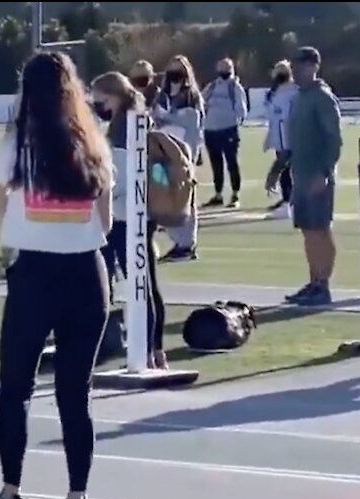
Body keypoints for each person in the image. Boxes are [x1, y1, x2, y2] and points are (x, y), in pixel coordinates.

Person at [0, 51, 114, 499]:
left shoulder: (16, 144)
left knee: (15, 388)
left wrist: (19, 233)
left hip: (34, 274)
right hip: (86, 274)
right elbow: (107, 219)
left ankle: (11, 494)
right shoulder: (92, 141)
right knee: (75, 394)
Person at [91, 71, 167, 370]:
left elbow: (119, 179)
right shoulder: (137, 118)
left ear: (117, 96)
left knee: (135, 284)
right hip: (135, 215)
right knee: (144, 282)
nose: (99, 106)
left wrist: (96, 189)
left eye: (102, 100)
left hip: (124, 217)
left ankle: (145, 348)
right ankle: (152, 349)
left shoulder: (124, 127)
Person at [283, 46, 342, 307]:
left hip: (317, 174)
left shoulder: (322, 97)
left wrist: (325, 172)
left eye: (299, 66)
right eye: (293, 66)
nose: (294, 71)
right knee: (308, 231)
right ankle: (313, 281)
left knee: (320, 230)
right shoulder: (300, 97)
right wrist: (279, 168)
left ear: (313, 66)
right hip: (301, 173)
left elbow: (334, 140)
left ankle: (323, 285)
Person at [154, 55, 204, 263]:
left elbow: (193, 124)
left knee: (185, 199)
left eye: (179, 71)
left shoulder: (191, 96)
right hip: (162, 153)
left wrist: (192, 156)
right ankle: (176, 240)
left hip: (182, 154)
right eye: (172, 70)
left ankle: (187, 244)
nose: (175, 75)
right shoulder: (161, 96)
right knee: (164, 196)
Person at [200, 58, 248, 209]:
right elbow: (200, 101)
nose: (224, 71)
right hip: (210, 130)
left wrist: (236, 121)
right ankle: (218, 194)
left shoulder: (235, 87)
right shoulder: (212, 86)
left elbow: (242, 108)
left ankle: (235, 194)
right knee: (216, 164)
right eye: (221, 67)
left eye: (227, 68)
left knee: (231, 162)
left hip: (228, 129)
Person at [263, 60, 298, 220]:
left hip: (291, 138)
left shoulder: (295, 92)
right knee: (284, 171)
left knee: (290, 169)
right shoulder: (273, 93)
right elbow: (272, 118)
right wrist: (269, 138)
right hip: (279, 138)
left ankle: (293, 202)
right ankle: (286, 199)